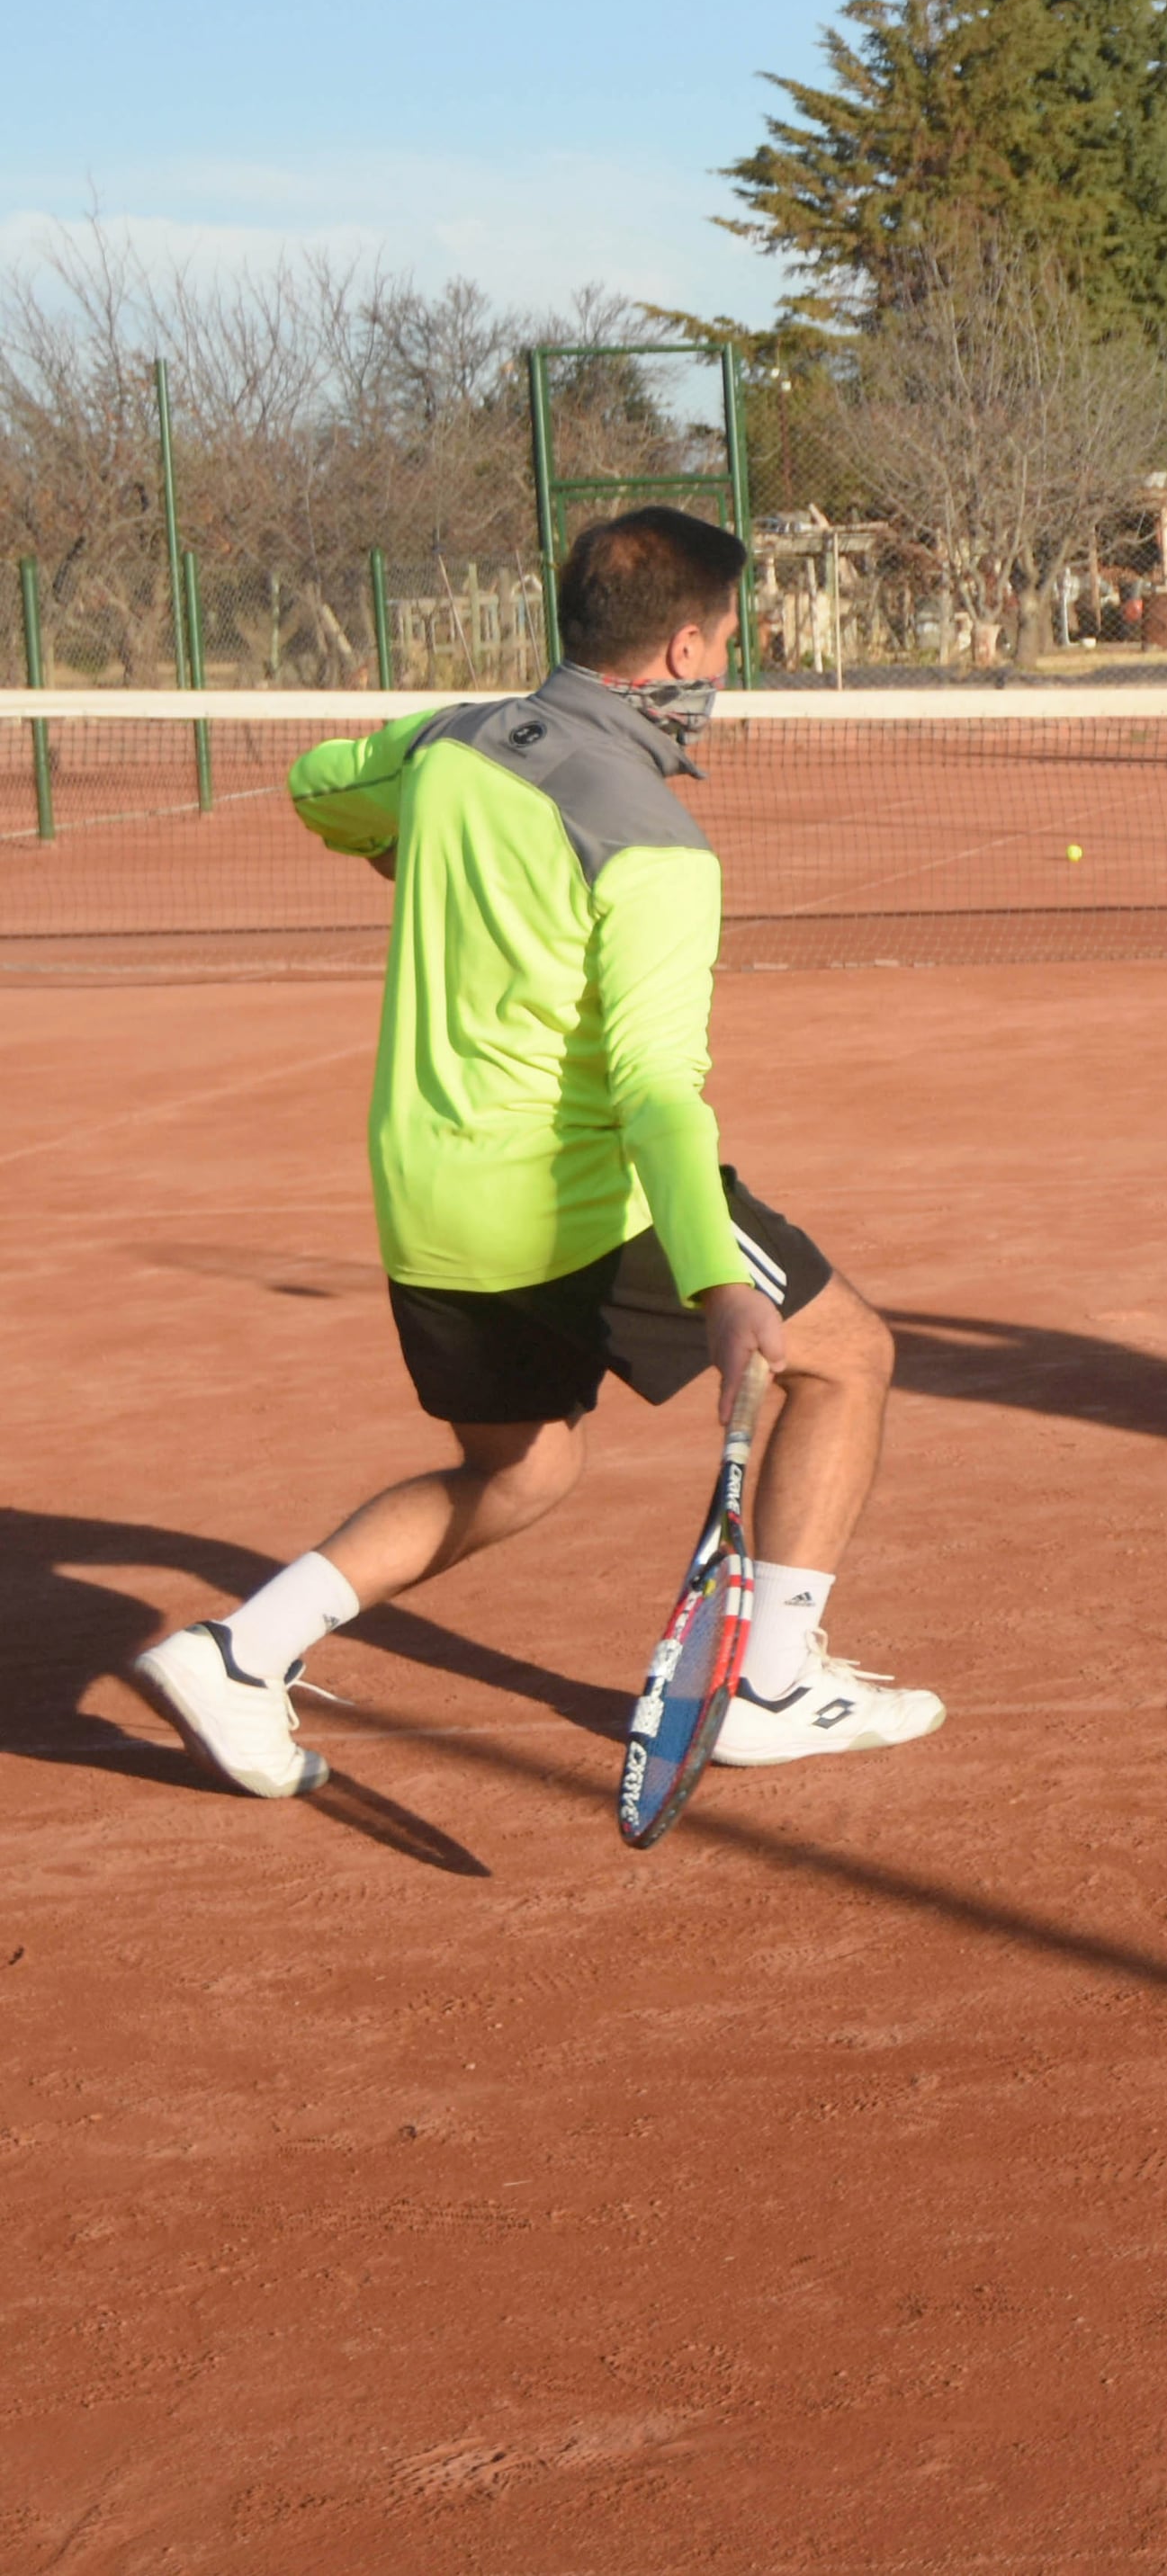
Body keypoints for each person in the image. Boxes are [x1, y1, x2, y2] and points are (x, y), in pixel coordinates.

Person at [122, 508, 938, 1799]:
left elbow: (316, 784)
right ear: (681, 650)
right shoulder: (655, 845)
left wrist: (405, 849)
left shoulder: (449, 745)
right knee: (848, 1360)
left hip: (426, 1201)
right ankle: (770, 1689)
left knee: (522, 1467)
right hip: (582, 1203)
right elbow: (661, 1096)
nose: (729, 664)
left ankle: (240, 1650)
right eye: (729, 640)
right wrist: (718, 1281)